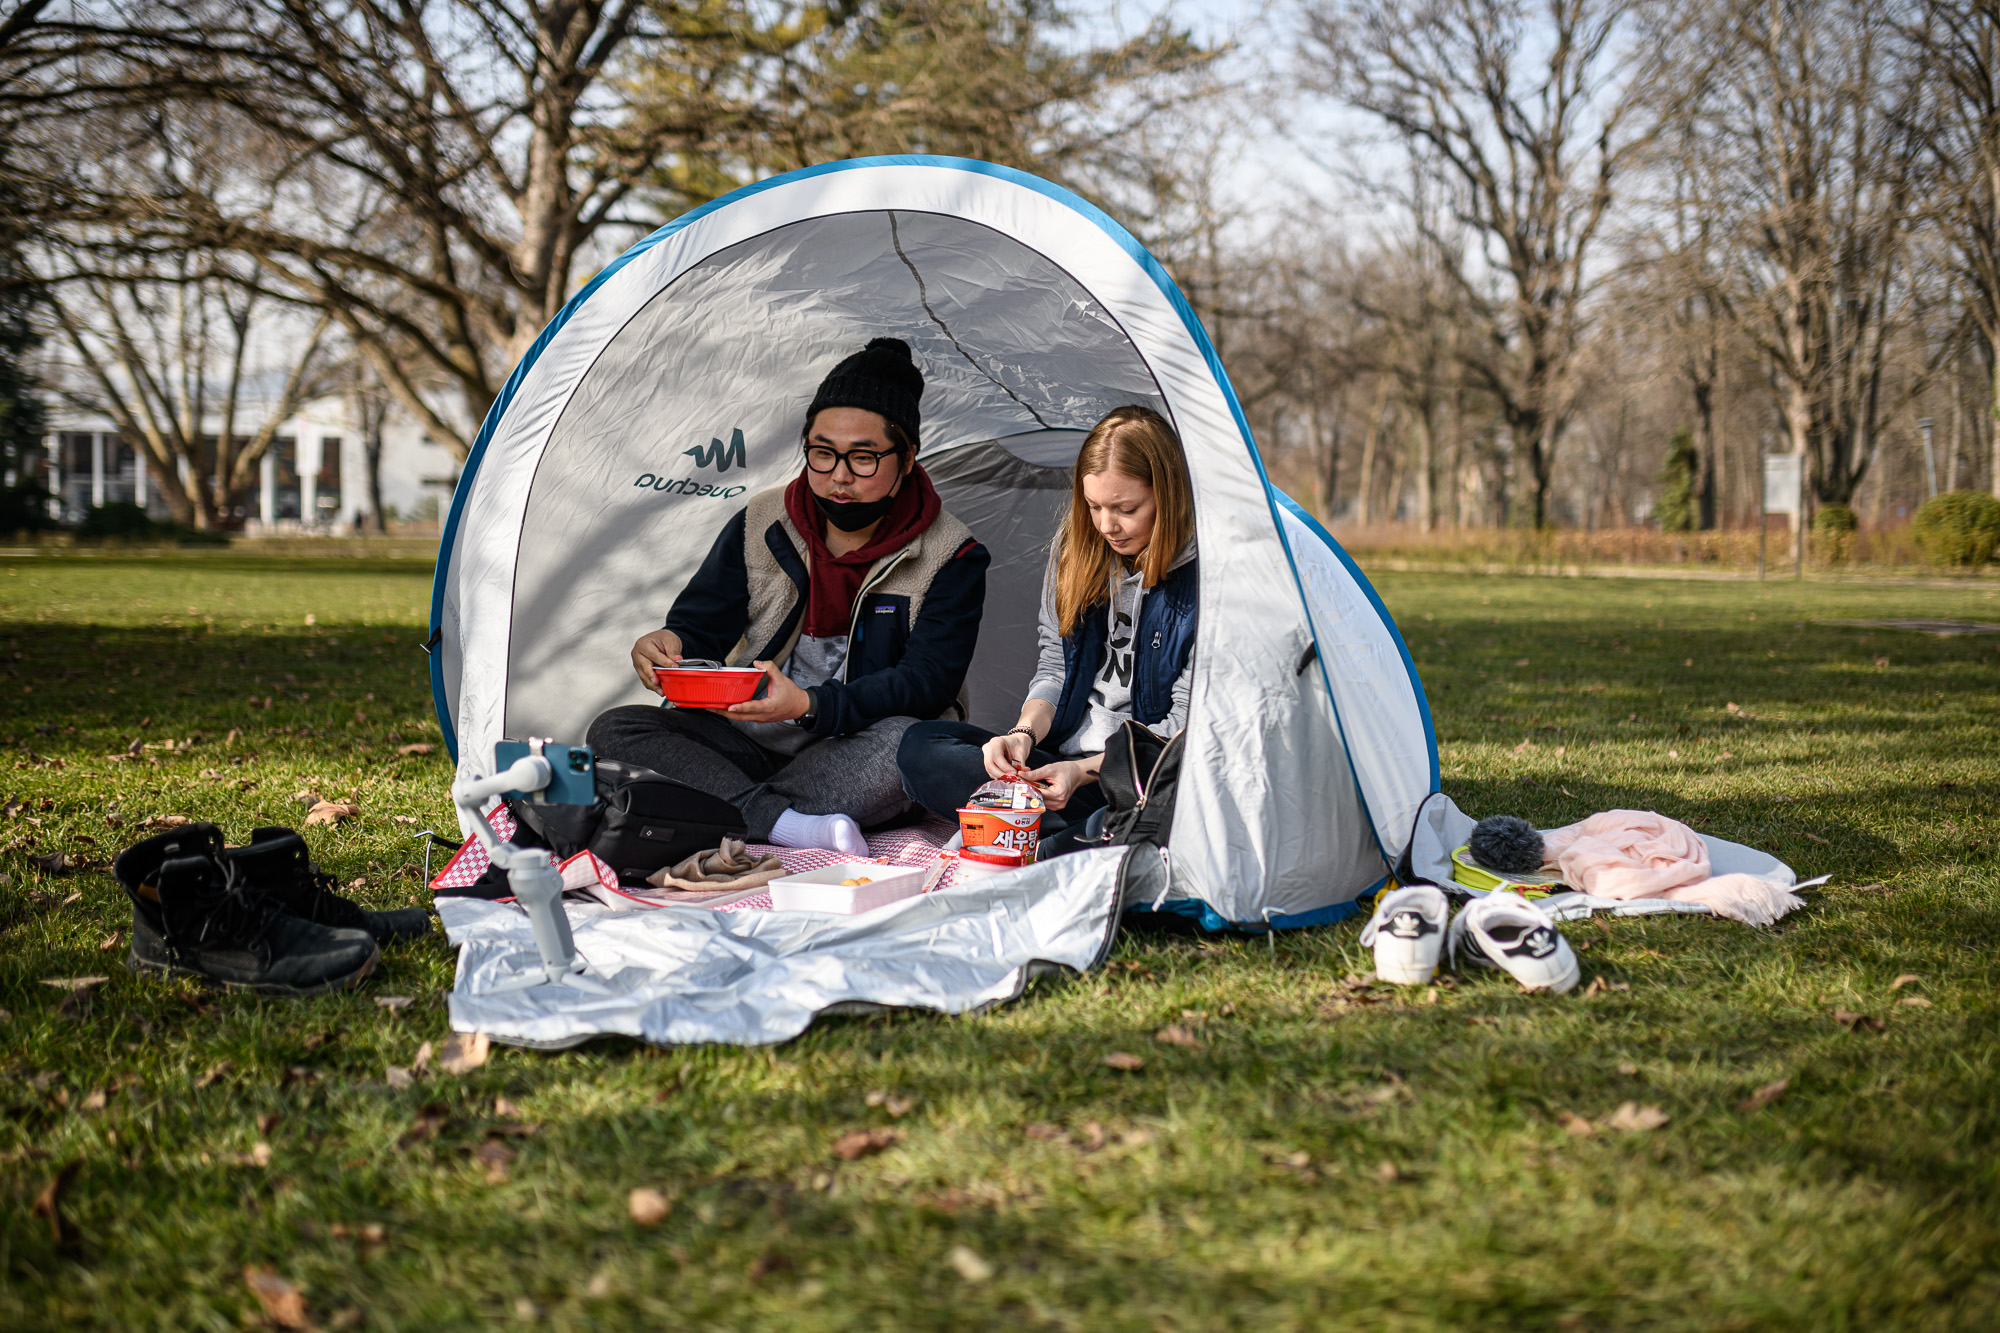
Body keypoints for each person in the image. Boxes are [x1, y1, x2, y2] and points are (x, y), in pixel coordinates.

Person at [587, 337, 990, 856]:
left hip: (855, 750)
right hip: (746, 742)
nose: (839, 477)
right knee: (617, 729)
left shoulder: (953, 554)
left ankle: (728, 811)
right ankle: (792, 824)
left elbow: (925, 684)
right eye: (822, 454)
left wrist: (808, 705)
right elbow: (702, 623)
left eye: (864, 458)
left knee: (907, 747)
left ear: (907, 457)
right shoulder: (762, 518)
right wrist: (671, 639)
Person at [897, 404, 1196, 857]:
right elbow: (1054, 667)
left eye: (1126, 508)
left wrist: (1087, 773)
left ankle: (1048, 834)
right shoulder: (1076, 550)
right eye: (1094, 506)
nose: (1107, 526)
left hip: (1139, 772)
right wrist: (1023, 735)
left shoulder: (1204, 580)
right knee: (920, 748)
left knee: (1163, 799)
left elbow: (1182, 728)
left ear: (1168, 497)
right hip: (1060, 766)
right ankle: (1069, 835)